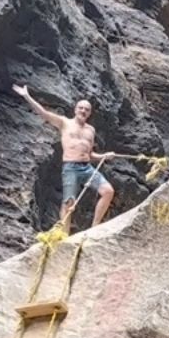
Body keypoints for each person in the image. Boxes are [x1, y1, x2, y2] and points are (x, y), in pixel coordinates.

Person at [13, 83, 116, 230]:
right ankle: (64, 235)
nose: (83, 111)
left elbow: (90, 154)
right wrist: (27, 96)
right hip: (70, 167)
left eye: (87, 109)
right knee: (69, 203)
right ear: (75, 109)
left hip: (87, 168)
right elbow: (43, 113)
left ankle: (95, 227)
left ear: (90, 113)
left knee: (108, 191)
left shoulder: (91, 130)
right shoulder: (64, 123)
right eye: (80, 108)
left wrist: (104, 156)